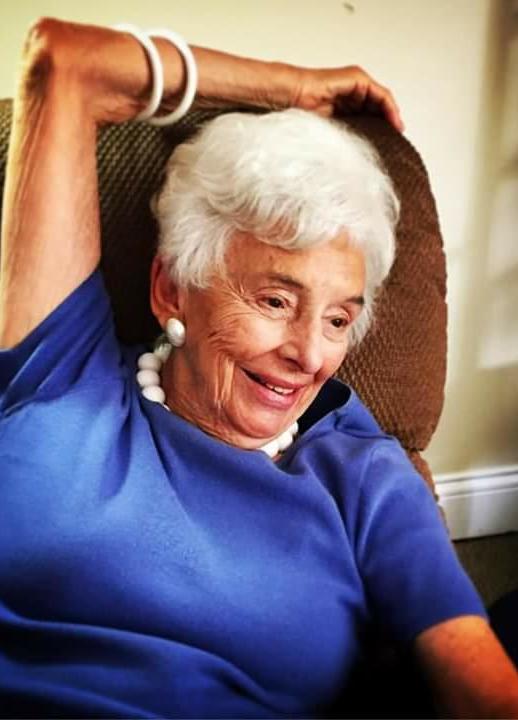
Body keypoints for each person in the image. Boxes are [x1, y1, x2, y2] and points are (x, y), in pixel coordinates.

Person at [0, 16, 517, 719]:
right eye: (276, 300)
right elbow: (65, 62)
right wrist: (292, 87)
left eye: (338, 319)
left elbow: (477, 680)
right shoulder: (61, 372)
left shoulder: (361, 473)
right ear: (171, 289)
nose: (310, 354)